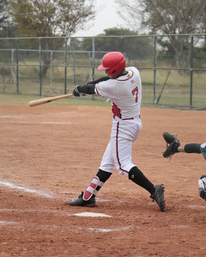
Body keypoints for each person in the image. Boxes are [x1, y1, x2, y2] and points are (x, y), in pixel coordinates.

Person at [67, 52, 165, 211]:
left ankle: (154, 190)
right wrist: (85, 87)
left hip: (123, 127)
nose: (105, 72)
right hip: (135, 123)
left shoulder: (116, 86)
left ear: (114, 70)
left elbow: (93, 88)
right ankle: (88, 195)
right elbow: (103, 81)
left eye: (107, 69)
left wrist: (79, 90)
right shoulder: (134, 71)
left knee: (123, 165)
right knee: (107, 162)